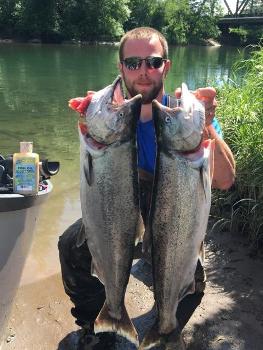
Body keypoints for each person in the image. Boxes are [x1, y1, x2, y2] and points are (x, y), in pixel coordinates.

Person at [58, 27, 235, 350]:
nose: (143, 71)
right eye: (133, 62)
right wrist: (90, 124)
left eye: (152, 62)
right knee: (71, 245)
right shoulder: (115, 115)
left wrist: (207, 124)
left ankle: (166, 323)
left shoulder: (185, 115)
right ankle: (98, 321)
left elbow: (224, 180)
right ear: (121, 67)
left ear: (165, 66)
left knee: (187, 286)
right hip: (119, 217)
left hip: (172, 222)